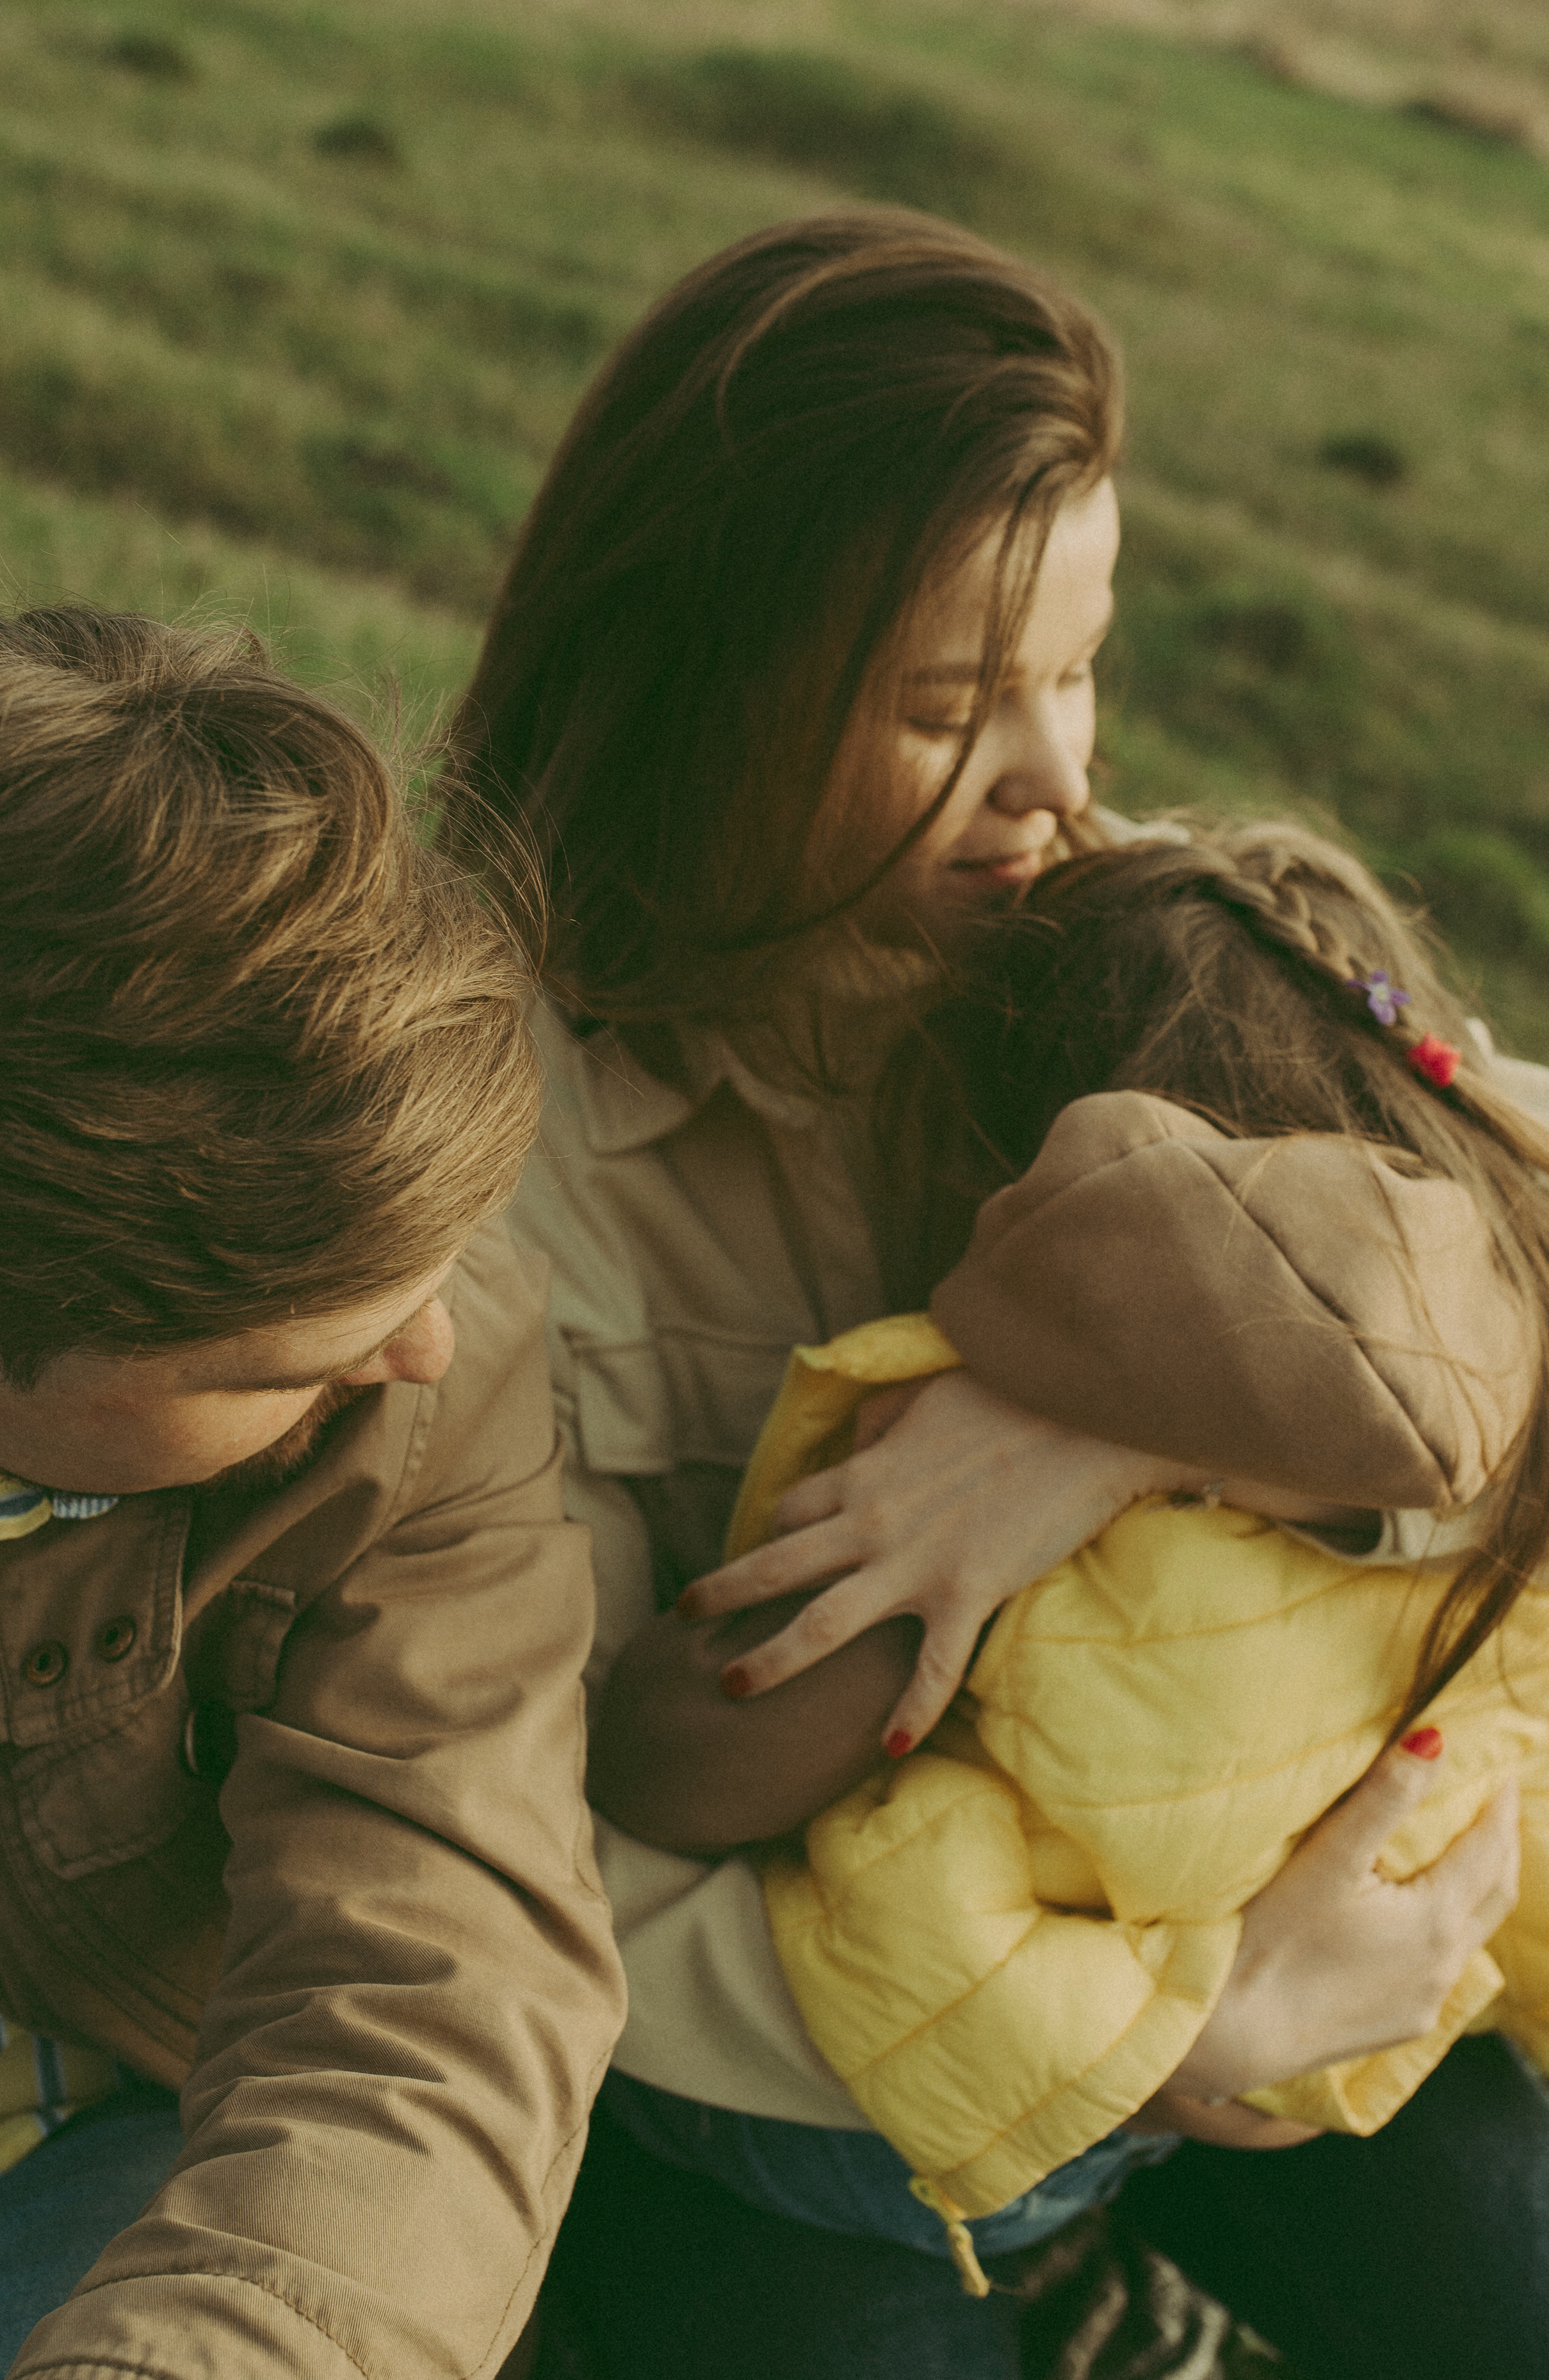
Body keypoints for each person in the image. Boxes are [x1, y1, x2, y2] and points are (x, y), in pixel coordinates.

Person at [457, 209, 1549, 2377]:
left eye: (1078, 668)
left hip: (1277, 1920)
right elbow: (517, 1853)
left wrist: (1125, 1410)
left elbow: (1497, 1224)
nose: (1057, 780)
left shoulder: (1131, 934)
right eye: (949, 707)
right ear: (701, 683)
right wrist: (1163, 2028)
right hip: (794, 2098)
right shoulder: (504, 1169)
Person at [589, 822, 1549, 2290]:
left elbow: (686, 1754)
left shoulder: (976, 1423)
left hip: (963, 2119)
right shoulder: (963, 1481)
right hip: (888, 2119)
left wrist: (1131, 1425)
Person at [0, 607, 624, 2380]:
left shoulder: (406, 1368)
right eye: (271, 1365)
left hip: (66, 2192)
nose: (426, 1355)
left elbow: (430, 2010)